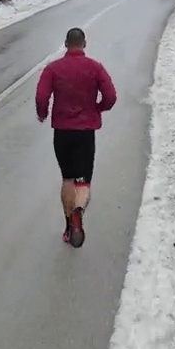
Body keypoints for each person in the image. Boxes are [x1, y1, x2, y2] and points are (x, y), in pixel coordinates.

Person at [35, 27, 117, 247]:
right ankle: (79, 211)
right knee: (83, 180)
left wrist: (42, 114)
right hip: (85, 133)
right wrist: (98, 108)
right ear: (84, 44)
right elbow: (110, 96)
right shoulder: (95, 68)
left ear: (65, 43)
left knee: (68, 178)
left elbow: (42, 97)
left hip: (62, 132)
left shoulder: (52, 69)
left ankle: (68, 224)